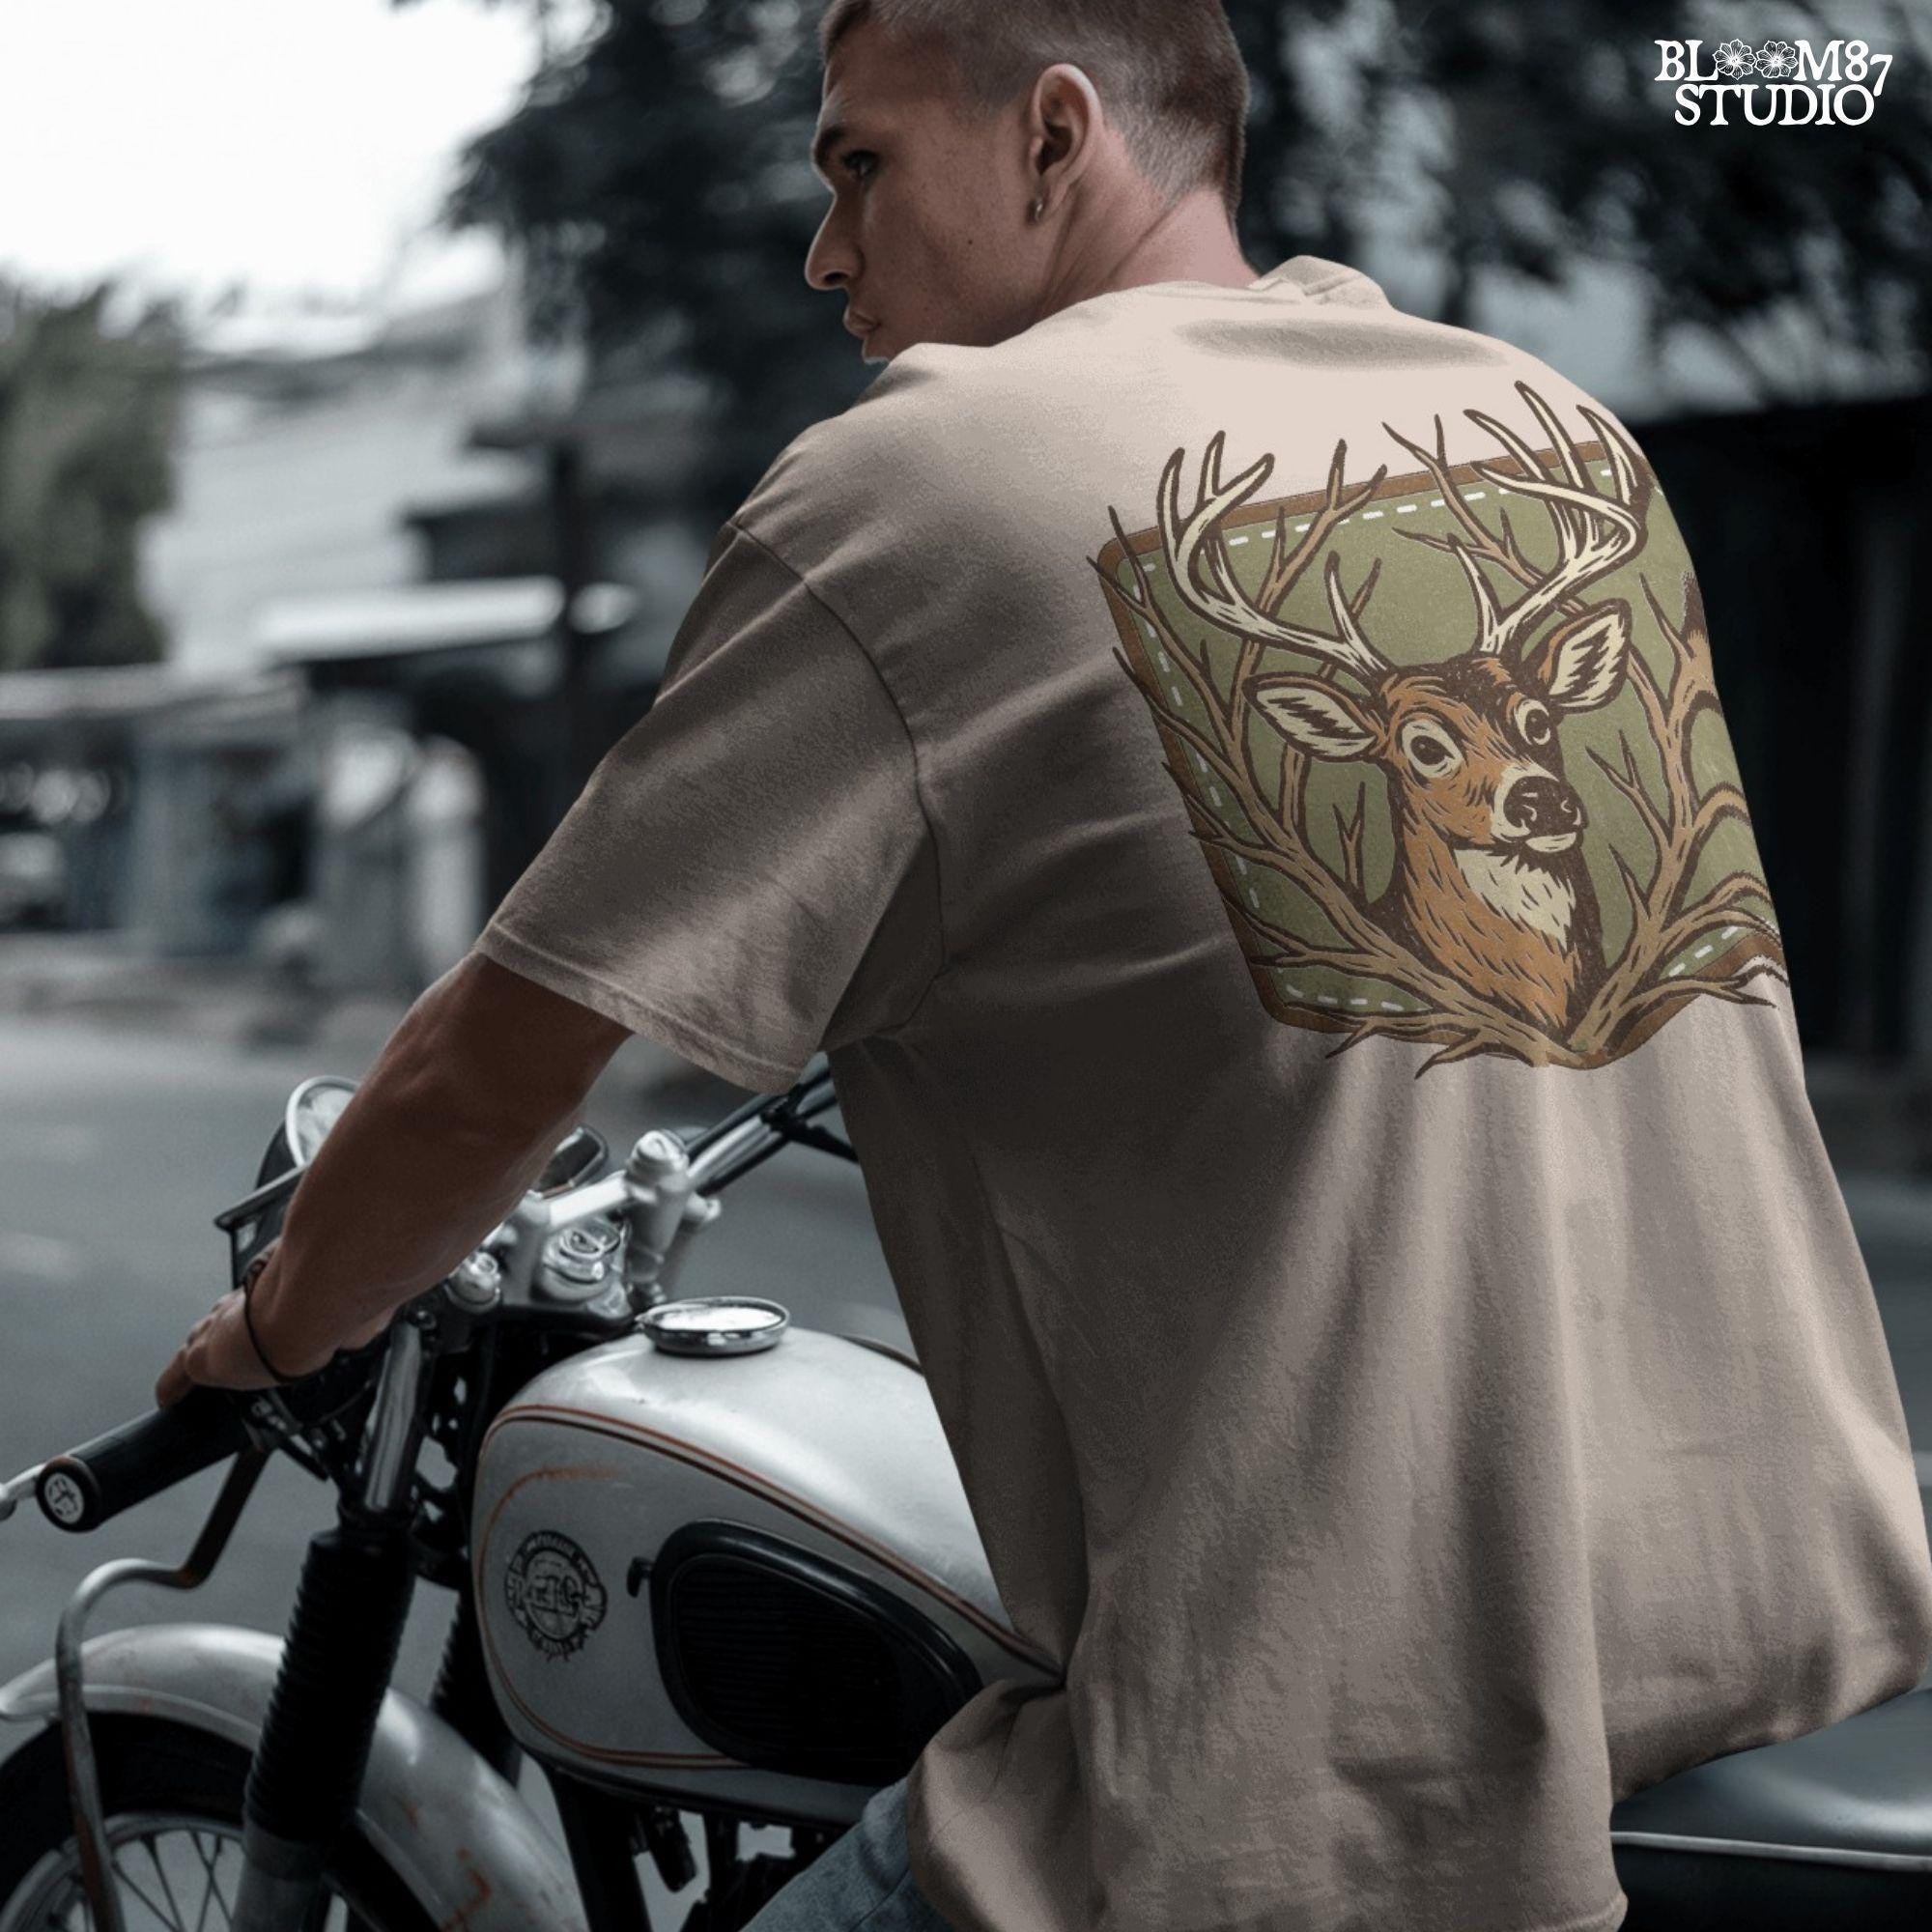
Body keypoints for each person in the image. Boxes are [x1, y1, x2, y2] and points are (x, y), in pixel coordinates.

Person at [156, 2, 1932, 1929]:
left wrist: (273, 1330)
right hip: (1742, 1609)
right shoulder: (1544, 426)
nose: (827, 252)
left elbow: (495, 1065)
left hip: (1323, 1765)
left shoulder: (916, 489)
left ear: (1051, 136)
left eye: (858, 166)